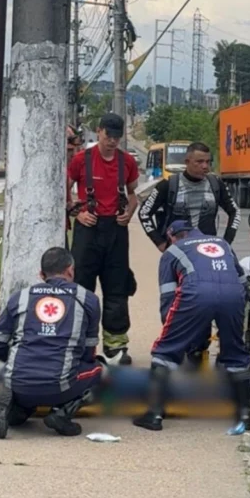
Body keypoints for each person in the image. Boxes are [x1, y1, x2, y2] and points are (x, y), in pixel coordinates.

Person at [132, 220, 250, 432]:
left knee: (165, 351)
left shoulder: (172, 252)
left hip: (196, 292)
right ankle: (245, 414)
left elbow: (168, 299)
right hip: (234, 295)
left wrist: (173, 335)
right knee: (235, 351)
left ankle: (154, 414)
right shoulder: (221, 243)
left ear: (173, 236)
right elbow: (243, 282)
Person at [137, 141, 241, 367]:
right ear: (187, 162)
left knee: (206, 296)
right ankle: (174, 345)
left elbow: (235, 213)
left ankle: (199, 347)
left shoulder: (216, 185)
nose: (205, 166)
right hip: (178, 259)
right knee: (175, 301)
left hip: (208, 257)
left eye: (208, 162)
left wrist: (226, 244)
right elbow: (144, 213)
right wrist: (160, 243)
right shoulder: (169, 185)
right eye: (199, 162)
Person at [0, 247, 105, 438]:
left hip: (18, 382)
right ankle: (61, 413)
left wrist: (10, 363)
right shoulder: (88, 299)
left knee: (9, 370)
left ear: (41, 274)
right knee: (98, 370)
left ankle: (16, 406)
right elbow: (89, 352)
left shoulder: (20, 297)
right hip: (60, 386)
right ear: (70, 270)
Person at [67, 113, 139, 366]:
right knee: (81, 288)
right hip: (88, 230)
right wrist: (77, 212)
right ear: (99, 132)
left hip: (116, 232)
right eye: (109, 136)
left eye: (117, 138)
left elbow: (132, 196)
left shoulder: (127, 162)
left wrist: (128, 213)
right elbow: (63, 190)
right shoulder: (81, 160)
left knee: (117, 288)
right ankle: (81, 345)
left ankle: (115, 346)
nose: (112, 142)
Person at [64, 125, 85, 249]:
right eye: (69, 150)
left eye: (74, 150)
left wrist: (70, 206)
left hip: (63, 229)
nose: (73, 154)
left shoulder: (66, 171)